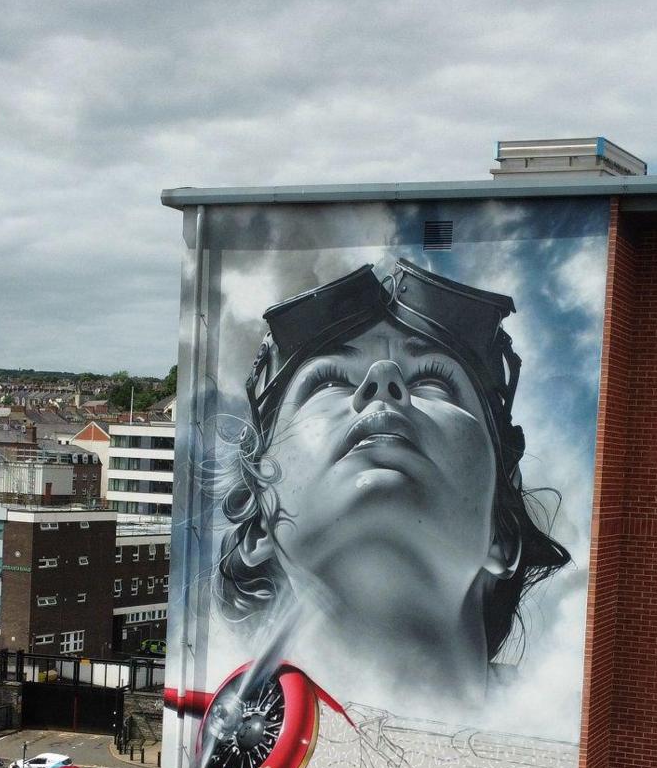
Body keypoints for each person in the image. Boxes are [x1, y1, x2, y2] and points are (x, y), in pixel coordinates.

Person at [214, 259, 570, 720]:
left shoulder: (552, 725)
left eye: (433, 381)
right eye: (330, 380)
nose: (383, 380)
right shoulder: (225, 746)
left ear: (502, 530)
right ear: (259, 521)